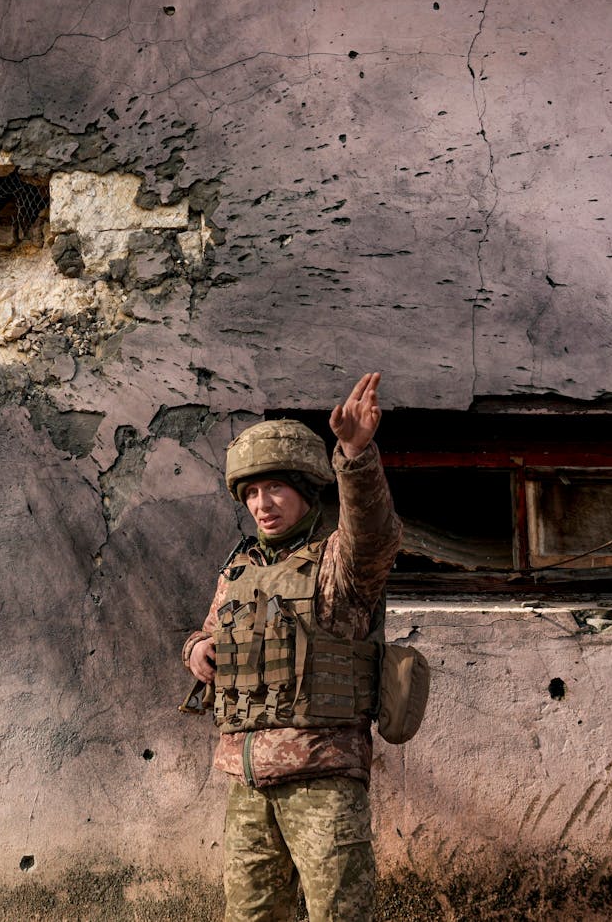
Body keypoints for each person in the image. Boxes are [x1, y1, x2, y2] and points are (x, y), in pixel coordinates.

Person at [181, 372, 402, 921]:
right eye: (252, 493)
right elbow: (210, 630)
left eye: (274, 488)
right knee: (251, 916)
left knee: (339, 915)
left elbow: (373, 529)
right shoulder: (238, 569)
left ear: (305, 492)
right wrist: (197, 649)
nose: (262, 504)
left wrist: (355, 453)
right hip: (247, 782)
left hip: (321, 779)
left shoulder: (339, 564)